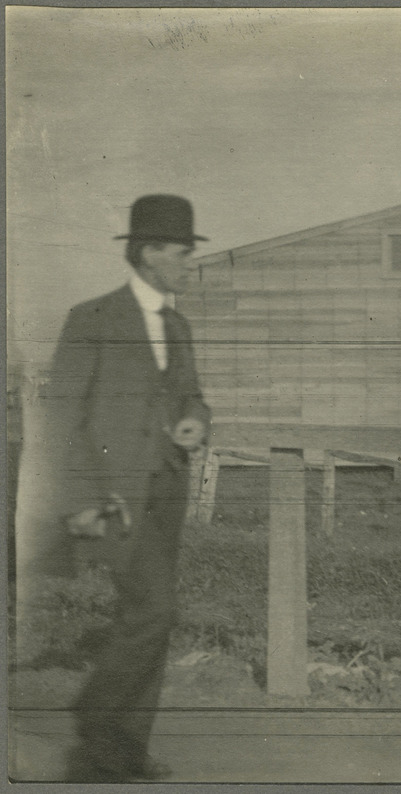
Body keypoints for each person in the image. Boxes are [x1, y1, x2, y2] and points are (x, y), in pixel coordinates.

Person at [47, 195, 211, 782]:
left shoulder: (179, 325)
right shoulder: (91, 319)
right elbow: (61, 417)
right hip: (115, 496)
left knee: (153, 617)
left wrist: (196, 421)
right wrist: (79, 502)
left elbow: (193, 394)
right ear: (148, 254)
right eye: (181, 254)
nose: (189, 265)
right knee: (154, 610)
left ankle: (124, 750)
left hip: (167, 489)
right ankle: (96, 713)